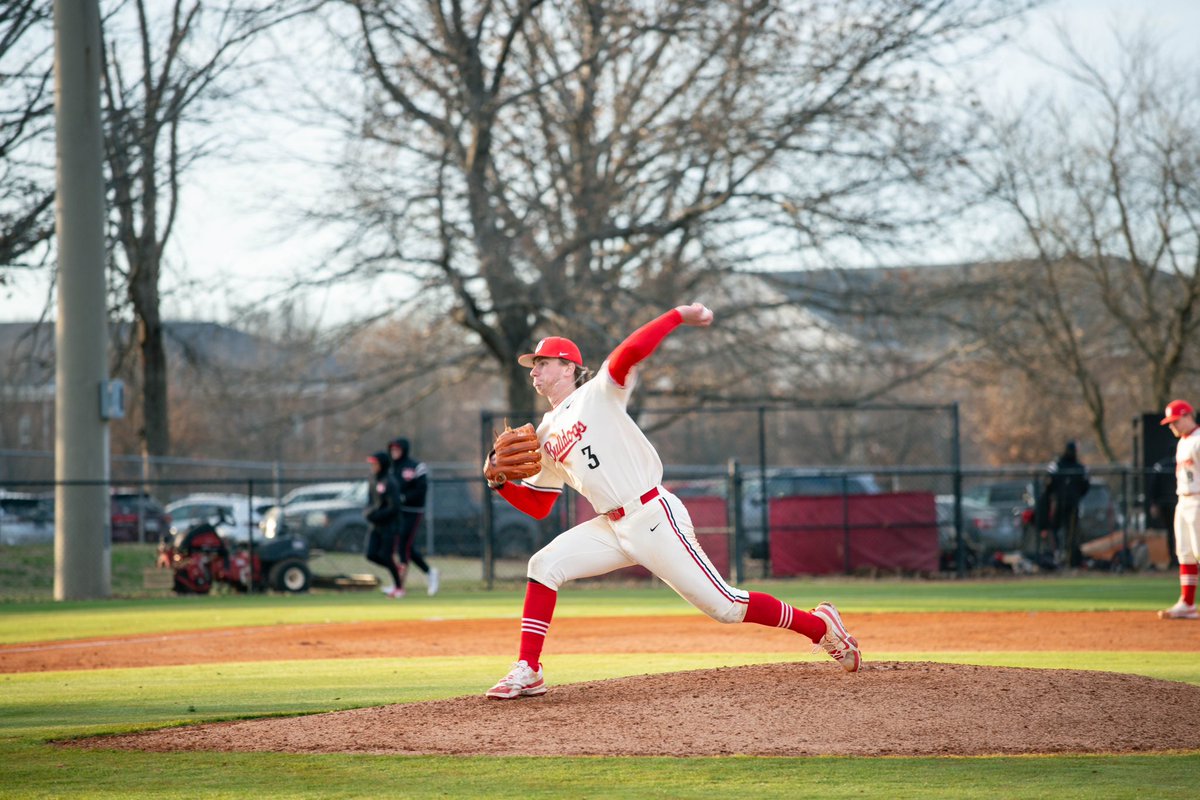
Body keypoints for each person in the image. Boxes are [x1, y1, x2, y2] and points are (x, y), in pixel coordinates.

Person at [481, 302, 861, 700]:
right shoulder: (543, 432)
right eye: (533, 365)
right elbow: (540, 505)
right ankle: (529, 669)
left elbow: (627, 352)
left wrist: (677, 315)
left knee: (726, 607)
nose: (534, 371)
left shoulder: (598, 394)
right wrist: (500, 484)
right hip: (611, 526)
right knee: (543, 564)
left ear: (568, 367)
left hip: (651, 515)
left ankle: (820, 627)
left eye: (542, 362)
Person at [1159, 399, 1200, 620]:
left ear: (1187, 415)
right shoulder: (1184, 442)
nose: (1172, 426)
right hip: (1183, 499)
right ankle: (1187, 603)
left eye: (1175, 421)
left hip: (1198, 500)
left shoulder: (1198, 440)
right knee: (1184, 552)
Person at [387, 437, 438, 596]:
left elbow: (421, 489)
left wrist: (404, 498)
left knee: (404, 546)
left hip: (413, 511)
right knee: (404, 547)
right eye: (392, 449)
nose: (394, 452)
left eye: (398, 449)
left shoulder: (417, 466)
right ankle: (430, 573)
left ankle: (399, 586)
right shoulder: (390, 467)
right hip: (397, 512)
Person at [1037, 441, 1090, 568]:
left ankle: (1070, 559)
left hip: (1071, 504)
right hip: (1059, 503)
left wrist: (1075, 495)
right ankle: (1057, 555)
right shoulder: (1057, 466)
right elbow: (1048, 483)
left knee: (1071, 533)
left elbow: (1085, 485)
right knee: (1056, 529)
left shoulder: (1078, 467)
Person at [363, 451, 407, 598]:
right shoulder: (372, 479)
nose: (373, 466)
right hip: (376, 525)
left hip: (389, 525)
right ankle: (396, 568)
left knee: (387, 556)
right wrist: (369, 513)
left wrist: (378, 515)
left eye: (375, 463)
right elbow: (371, 501)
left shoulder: (390, 482)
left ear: (382, 465)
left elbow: (394, 507)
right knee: (370, 554)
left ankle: (399, 588)